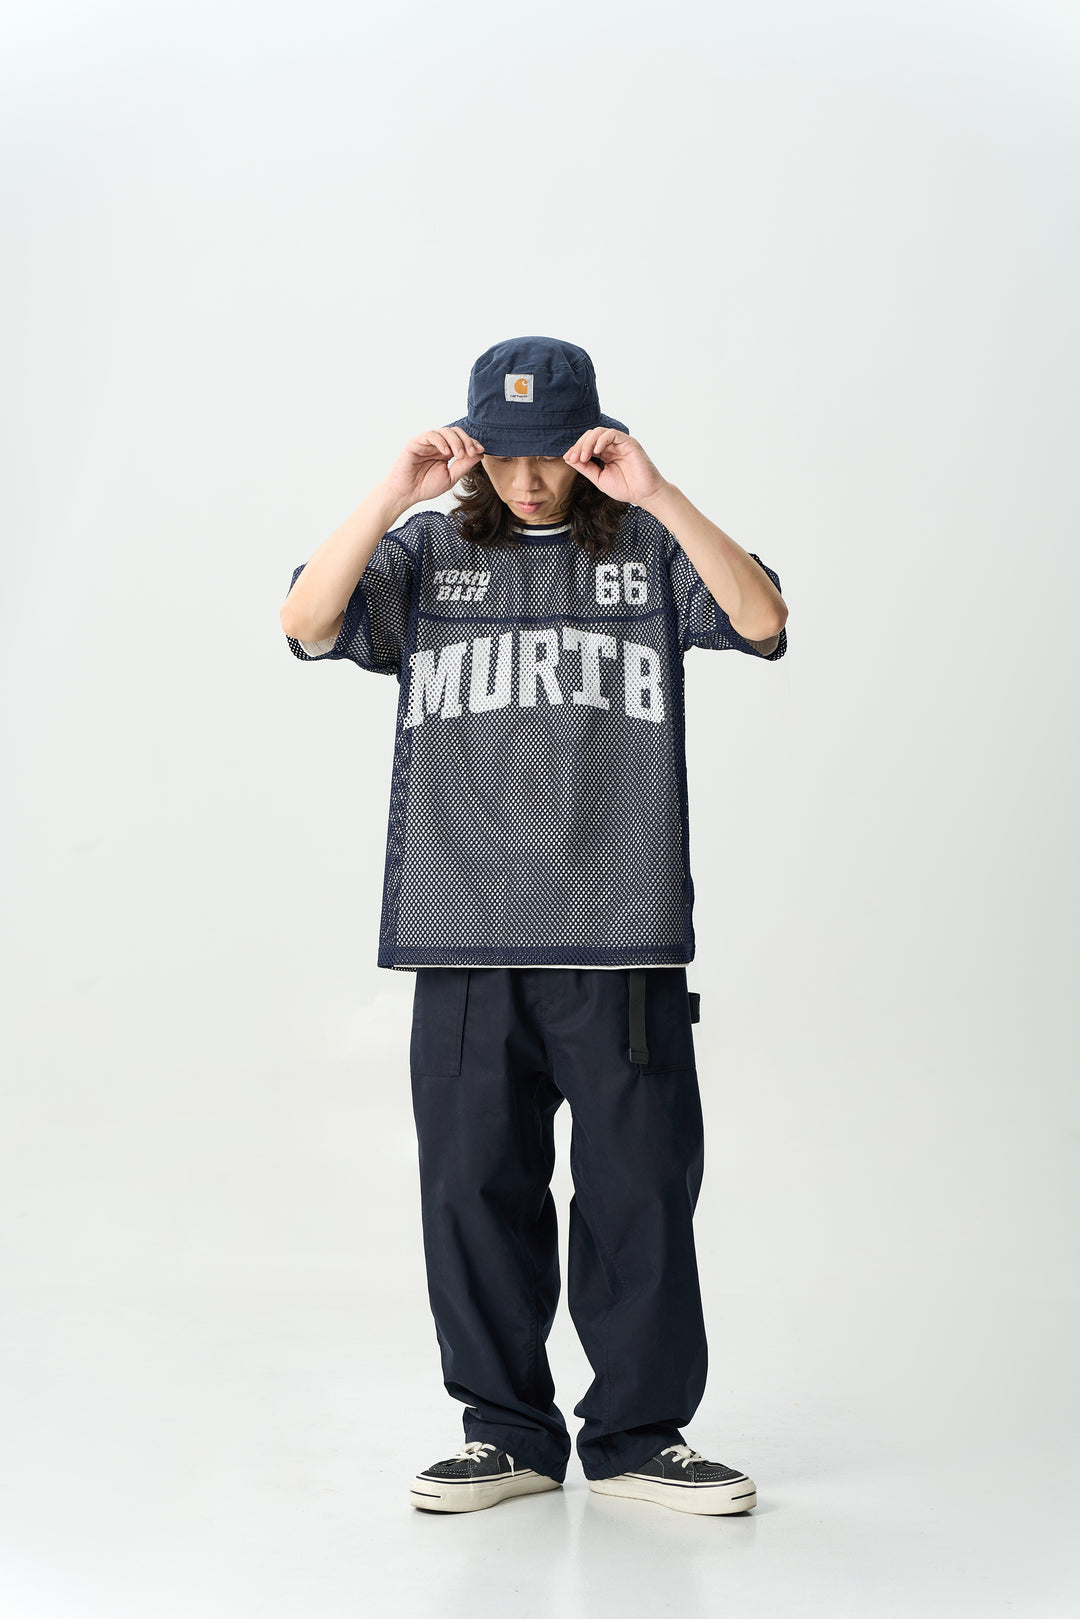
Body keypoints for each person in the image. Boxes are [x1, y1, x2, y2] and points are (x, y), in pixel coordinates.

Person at [280, 335, 788, 1517]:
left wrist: (659, 491)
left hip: (621, 934)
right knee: (474, 1192)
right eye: (504, 454)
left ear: (589, 443)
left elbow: (763, 617)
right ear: (472, 450)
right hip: (462, 932)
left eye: (549, 453)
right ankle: (505, 1433)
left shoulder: (647, 547)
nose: (526, 478)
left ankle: (639, 1435)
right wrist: (392, 489)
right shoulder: (429, 551)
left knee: (640, 1196)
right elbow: (306, 621)